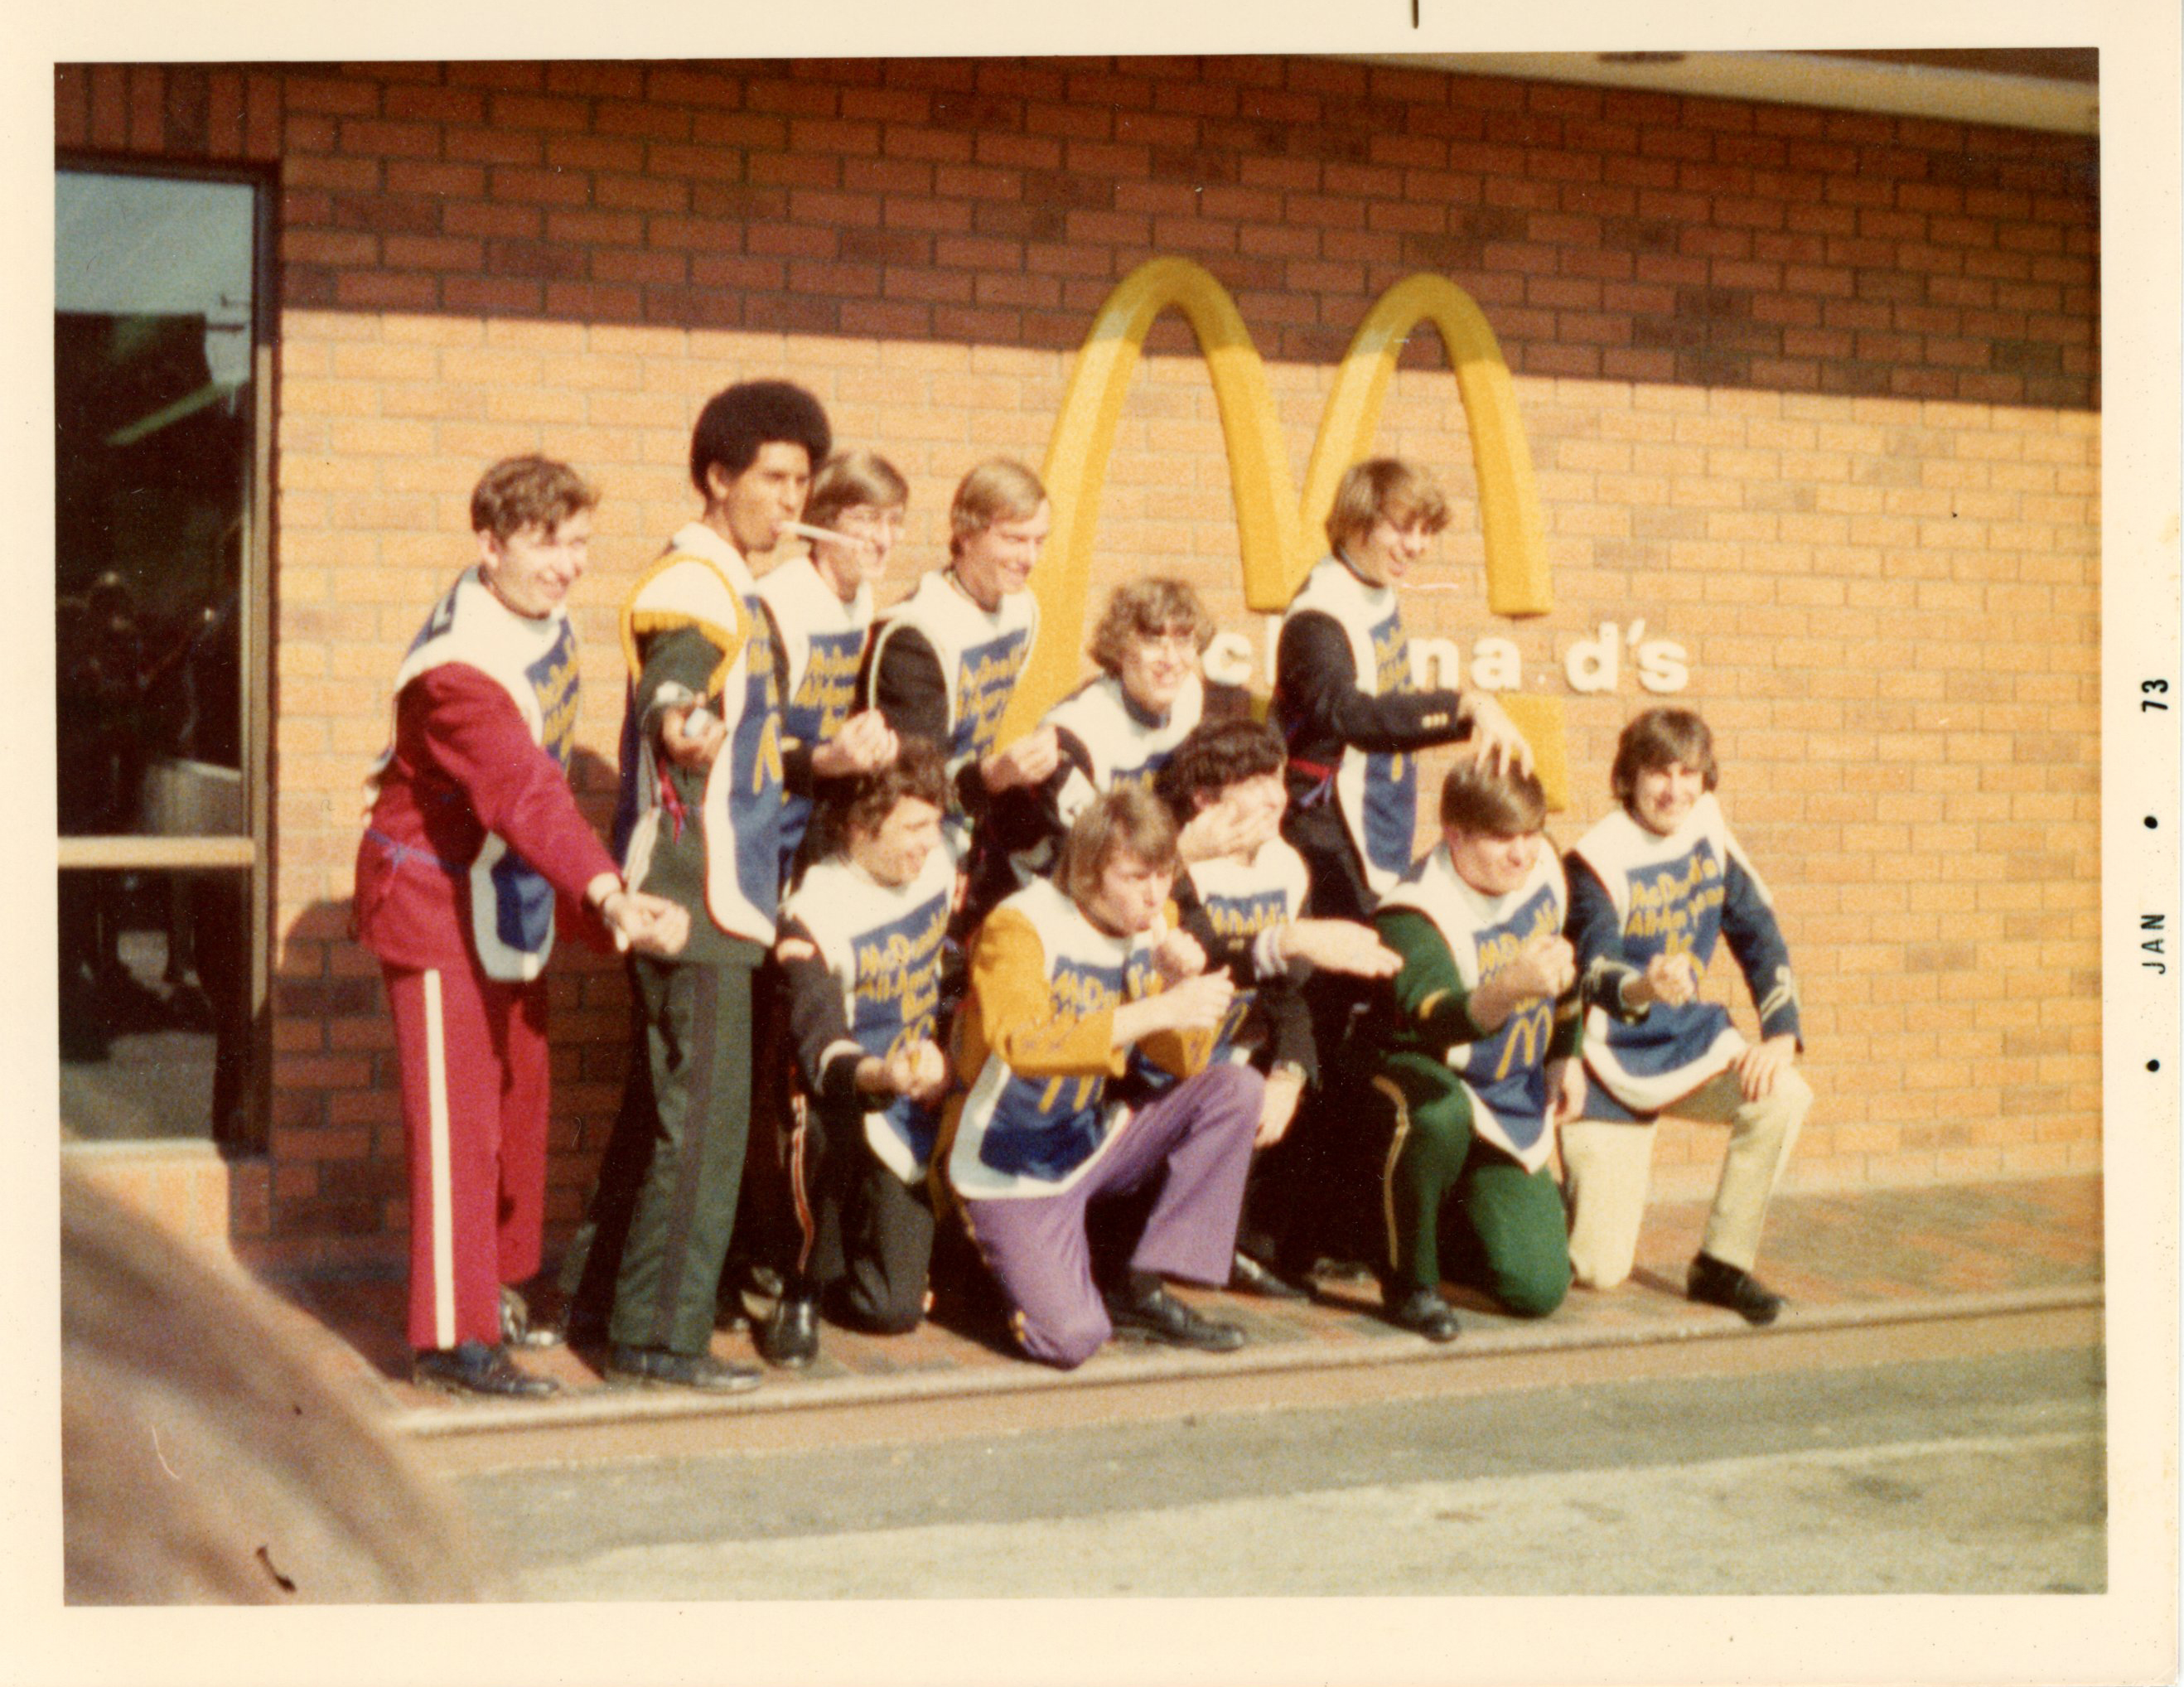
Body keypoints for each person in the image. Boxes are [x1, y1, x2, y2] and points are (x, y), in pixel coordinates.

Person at [353, 456, 687, 1398]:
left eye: (578, 542)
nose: (567, 564)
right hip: (430, 903)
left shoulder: (538, 613)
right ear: (490, 544)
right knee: (458, 1122)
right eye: (546, 543)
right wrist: (609, 892)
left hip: (503, 889)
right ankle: (448, 1339)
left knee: (518, 1100)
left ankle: (497, 1282)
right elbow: (525, 789)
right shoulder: (458, 670)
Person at [585, 380, 888, 1392]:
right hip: (696, 895)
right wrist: (677, 721)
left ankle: (607, 1308)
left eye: (802, 477)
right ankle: (660, 1339)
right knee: (703, 1128)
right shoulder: (696, 586)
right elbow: (675, 685)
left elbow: (750, 753)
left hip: (721, 894)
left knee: (660, 1115)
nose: (788, 496)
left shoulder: (734, 584)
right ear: (717, 477)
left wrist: (822, 764)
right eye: (771, 476)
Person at [941, 788, 1261, 1370]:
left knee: (1234, 1088)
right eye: (1137, 876)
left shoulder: (1155, 922)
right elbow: (1021, 1041)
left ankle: (1136, 1280)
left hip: (1090, 1140)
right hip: (1007, 1165)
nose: (1155, 894)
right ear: (1088, 872)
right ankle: (992, 1272)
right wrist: (1155, 1010)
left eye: (1165, 875)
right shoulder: (1020, 925)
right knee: (1073, 1339)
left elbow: (1183, 1065)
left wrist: (1170, 986)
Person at [1560, 707, 1810, 1325]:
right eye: (1657, 772)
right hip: (1605, 1060)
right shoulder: (1595, 858)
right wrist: (1645, 984)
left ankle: (1721, 1267)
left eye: (1688, 772)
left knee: (1782, 1093)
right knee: (1596, 1270)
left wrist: (1780, 1036)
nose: (1674, 789)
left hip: (1687, 1043)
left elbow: (1758, 934)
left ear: (1705, 778)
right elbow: (1593, 970)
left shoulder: (1707, 831)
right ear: (1628, 778)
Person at [1155, 718, 1401, 1298]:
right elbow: (1205, 952)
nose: (1276, 795)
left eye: (1278, 777)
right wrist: (1285, 941)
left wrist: (1291, 1073)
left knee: (1330, 1070)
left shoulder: (1284, 864)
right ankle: (1210, 1246)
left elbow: (1290, 990)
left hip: (1243, 1040)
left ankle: (1280, 1243)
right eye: (1255, 781)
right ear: (1206, 799)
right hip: (1170, 1049)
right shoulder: (1173, 865)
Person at [1357, 759, 1586, 1341]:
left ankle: (1443, 1219)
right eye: (1503, 837)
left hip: (1508, 1094)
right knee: (1437, 1113)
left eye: (1531, 833)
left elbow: (1565, 967)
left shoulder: (1542, 869)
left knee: (1536, 1289)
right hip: (1423, 1077)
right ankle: (1411, 1282)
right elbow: (1438, 1019)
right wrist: (1509, 987)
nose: (1522, 853)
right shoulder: (1414, 910)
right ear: (1454, 833)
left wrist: (1566, 1053)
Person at [760, 743, 956, 1367]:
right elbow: (820, 1044)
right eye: (913, 827)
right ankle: (799, 1284)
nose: (930, 842)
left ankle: (858, 1255)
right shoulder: (814, 910)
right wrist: (885, 1076)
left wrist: (943, 1059)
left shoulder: (938, 866)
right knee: (813, 1118)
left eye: (935, 824)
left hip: (915, 1092)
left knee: (891, 1309)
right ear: (857, 826)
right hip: (846, 1087)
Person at [961, 577, 1223, 926]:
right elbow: (1091, 872)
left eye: (1183, 640)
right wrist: (1182, 856)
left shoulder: (1188, 693)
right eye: (1153, 640)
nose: (1171, 660)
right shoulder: (1077, 732)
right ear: (1119, 648)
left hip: (1135, 883)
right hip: (1041, 895)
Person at [859, 457, 1055, 853]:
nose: (1030, 559)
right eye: (1015, 539)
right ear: (965, 534)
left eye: (1039, 541)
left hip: (964, 814)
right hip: (898, 832)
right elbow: (906, 780)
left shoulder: (1022, 608)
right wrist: (991, 777)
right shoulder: (915, 631)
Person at [756, 447, 906, 886]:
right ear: (820, 522)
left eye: (894, 520)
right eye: (865, 518)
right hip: (761, 820)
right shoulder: (778, 603)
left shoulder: (860, 598)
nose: (884, 538)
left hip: (808, 816)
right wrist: (827, 760)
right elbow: (751, 742)